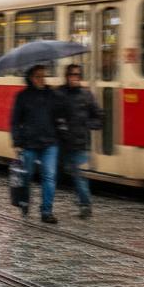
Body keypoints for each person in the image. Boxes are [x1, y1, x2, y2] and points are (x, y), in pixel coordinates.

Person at [10, 64, 65, 224]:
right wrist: (17, 141)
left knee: (49, 176)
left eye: (43, 76)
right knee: (26, 176)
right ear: (30, 78)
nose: (42, 79)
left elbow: (60, 112)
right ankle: (25, 202)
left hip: (50, 142)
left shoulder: (52, 95)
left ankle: (46, 211)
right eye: (38, 76)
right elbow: (15, 122)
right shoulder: (22, 97)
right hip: (29, 144)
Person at [57, 63, 101, 218]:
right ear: (67, 76)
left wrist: (87, 125)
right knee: (53, 174)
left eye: (77, 75)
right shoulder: (59, 93)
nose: (75, 78)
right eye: (72, 75)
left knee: (77, 174)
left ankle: (85, 204)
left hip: (79, 142)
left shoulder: (86, 95)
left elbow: (98, 116)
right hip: (61, 143)